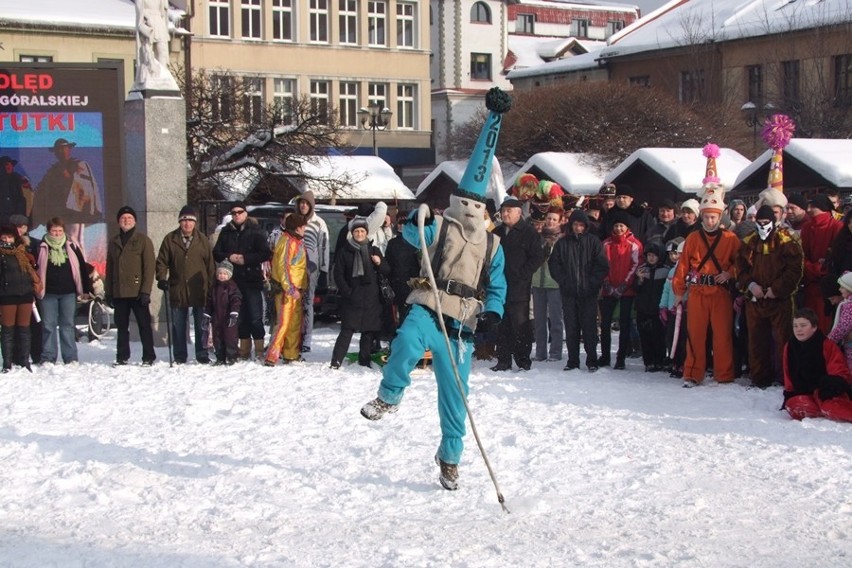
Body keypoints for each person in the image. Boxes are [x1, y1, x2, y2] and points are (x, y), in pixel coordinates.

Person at [359, 86, 510, 491]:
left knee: (455, 400)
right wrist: (415, 221)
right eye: (464, 201)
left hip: (461, 324)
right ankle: (389, 396)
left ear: (485, 208)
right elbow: (414, 239)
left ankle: (449, 458)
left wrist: (493, 314)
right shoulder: (441, 224)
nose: (470, 210)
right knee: (406, 342)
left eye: (476, 205)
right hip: (428, 306)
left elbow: (497, 285)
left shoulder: (494, 244)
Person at [672, 146, 741, 387]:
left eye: (714, 216)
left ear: (720, 216)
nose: (710, 220)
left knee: (722, 336)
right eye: (706, 216)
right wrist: (679, 293)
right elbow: (682, 267)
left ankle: (724, 374)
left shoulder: (731, 240)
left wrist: (729, 273)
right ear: (701, 216)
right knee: (696, 335)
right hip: (699, 291)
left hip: (720, 293)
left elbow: (741, 264)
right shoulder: (692, 239)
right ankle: (692, 372)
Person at [734, 205, 804, 388]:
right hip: (755, 299)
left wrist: (777, 289)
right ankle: (760, 377)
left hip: (779, 300)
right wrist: (750, 285)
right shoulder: (749, 241)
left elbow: (795, 269)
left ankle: (785, 377)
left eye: (766, 223)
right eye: (760, 223)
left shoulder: (786, 240)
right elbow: (740, 269)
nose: (763, 226)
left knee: (784, 340)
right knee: (756, 341)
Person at [549, 208, 609, 372]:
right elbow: (554, 265)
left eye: (581, 225)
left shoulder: (594, 242)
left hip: (588, 293)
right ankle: (573, 360)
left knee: (589, 327)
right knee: (571, 327)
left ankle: (592, 360)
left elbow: (602, 266)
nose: (578, 228)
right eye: (575, 224)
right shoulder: (562, 243)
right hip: (569, 292)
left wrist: (592, 284)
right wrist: (564, 282)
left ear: (586, 226)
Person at [155, 205, 215, 365]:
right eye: (184, 220)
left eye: (190, 220)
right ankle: (180, 355)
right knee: (178, 325)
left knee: (201, 325)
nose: (187, 224)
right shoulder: (170, 239)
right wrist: (161, 278)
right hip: (178, 287)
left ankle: (201, 353)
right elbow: (161, 261)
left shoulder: (202, 239)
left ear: (194, 223)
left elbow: (210, 265)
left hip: (199, 288)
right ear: (179, 222)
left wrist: (211, 285)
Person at [213, 202, 272, 361]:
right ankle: (244, 350)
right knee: (240, 317)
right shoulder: (226, 232)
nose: (237, 215)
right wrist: (229, 256)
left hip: (252, 279)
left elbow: (265, 253)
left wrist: (246, 259)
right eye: (234, 213)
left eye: (240, 212)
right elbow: (217, 252)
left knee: (255, 316)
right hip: (233, 281)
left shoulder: (256, 231)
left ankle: (259, 350)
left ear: (245, 213)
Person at [491, 197, 544, 371]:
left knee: (520, 324)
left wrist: (523, 274)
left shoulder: (529, 233)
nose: (505, 214)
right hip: (499, 284)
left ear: (519, 212)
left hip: (519, 286)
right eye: (503, 211)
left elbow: (537, 257)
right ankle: (503, 360)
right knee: (501, 324)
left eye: (509, 211)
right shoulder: (497, 232)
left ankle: (523, 360)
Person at [330, 216, 390, 368]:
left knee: (368, 331)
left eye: (362, 231)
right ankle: (336, 361)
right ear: (352, 232)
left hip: (371, 296)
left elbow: (386, 270)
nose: (359, 234)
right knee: (347, 330)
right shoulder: (345, 251)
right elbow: (338, 274)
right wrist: (347, 291)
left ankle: (364, 361)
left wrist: (378, 262)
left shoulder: (373, 249)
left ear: (366, 232)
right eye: (357, 231)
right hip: (353, 296)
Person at [36, 217, 93, 365]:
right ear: (48, 231)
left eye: (60, 230)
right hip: (48, 293)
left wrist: (86, 289)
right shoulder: (41, 247)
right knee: (48, 325)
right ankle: (48, 357)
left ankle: (70, 357)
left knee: (67, 325)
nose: (57, 233)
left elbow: (82, 267)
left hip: (68, 292)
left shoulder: (71, 246)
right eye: (54, 230)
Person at [104, 206, 156, 366]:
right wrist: (109, 292)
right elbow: (110, 268)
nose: (126, 221)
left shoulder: (143, 240)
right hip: (119, 292)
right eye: (123, 218)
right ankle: (122, 356)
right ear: (119, 222)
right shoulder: (114, 242)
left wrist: (146, 291)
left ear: (135, 221)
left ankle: (148, 356)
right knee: (121, 327)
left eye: (129, 218)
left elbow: (149, 267)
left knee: (144, 326)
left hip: (138, 292)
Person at [783, 308, 852, 422]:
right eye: (795, 326)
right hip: (805, 392)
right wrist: (789, 392)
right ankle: (820, 410)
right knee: (794, 406)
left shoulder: (826, 344)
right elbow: (787, 372)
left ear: (814, 327)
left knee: (831, 406)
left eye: (803, 325)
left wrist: (830, 386)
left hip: (828, 392)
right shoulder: (790, 346)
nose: (798, 329)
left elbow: (840, 371)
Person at [35, 138, 102, 246]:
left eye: (64, 148)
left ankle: (79, 263)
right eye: (58, 149)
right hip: (58, 212)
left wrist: (67, 176)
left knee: (74, 240)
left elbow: (85, 188)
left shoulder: (80, 164)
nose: (61, 151)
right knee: (58, 241)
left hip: (75, 212)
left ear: (69, 149)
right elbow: (45, 188)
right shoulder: (53, 170)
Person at [599, 210, 642, 370]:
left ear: (627, 227)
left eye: (621, 226)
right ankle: (604, 356)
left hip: (626, 290)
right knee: (605, 324)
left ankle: (621, 357)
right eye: (616, 225)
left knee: (624, 324)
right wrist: (607, 283)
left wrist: (625, 284)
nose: (618, 229)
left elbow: (636, 265)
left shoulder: (635, 244)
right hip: (608, 289)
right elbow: (601, 265)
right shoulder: (606, 244)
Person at [265, 214, 308, 365]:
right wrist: (289, 288)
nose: (305, 229)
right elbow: (283, 267)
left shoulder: (298, 241)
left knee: (294, 323)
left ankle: (291, 353)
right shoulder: (287, 241)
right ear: (297, 227)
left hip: (297, 289)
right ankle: (272, 355)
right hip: (287, 291)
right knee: (283, 322)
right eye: (303, 227)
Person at [0, 224, 41, 372]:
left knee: (24, 329)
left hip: (25, 295)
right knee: (7, 330)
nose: (6, 240)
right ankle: (7, 363)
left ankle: (24, 361)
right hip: (7, 296)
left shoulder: (22, 253)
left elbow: (31, 273)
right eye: (3, 237)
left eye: (9, 237)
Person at [292, 191, 329, 353]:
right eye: (301, 202)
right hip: (293, 269)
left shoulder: (319, 223)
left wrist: (324, 270)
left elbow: (324, 246)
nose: (303, 206)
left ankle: (307, 339)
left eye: (307, 203)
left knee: (308, 304)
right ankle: (292, 338)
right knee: (292, 304)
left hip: (311, 268)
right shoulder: (293, 221)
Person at [801, 194, 843, 332]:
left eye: (813, 206)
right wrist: (813, 267)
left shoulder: (837, 226)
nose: (809, 209)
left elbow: (837, 257)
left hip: (829, 286)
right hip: (809, 284)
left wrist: (819, 268)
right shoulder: (806, 227)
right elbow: (801, 255)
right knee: (809, 324)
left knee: (825, 325)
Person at [531, 207, 564, 362]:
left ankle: (556, 351)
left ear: (560, 221)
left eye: (554, 219)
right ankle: (540, 351)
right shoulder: (538, 237)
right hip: (537, 281)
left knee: (556, 319)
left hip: (555, 283)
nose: (550, 221)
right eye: (549, 218)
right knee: (539, 319)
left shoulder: (562, 239)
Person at [11, 214, 43, 364]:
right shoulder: (5, 244)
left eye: (23, 226)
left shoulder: (35, 244)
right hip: (9, 291)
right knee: (13, 326)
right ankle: (15, 357)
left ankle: (36, 355)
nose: (20, 229)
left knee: (34, 325)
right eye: (17, 226)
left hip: (30, 290)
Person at [634, 242, 670, 372]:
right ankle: (648, 361)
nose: (651, 258)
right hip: (643, 309)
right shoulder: (642, 269)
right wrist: (640, 280)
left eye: (654, 256)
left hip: (658, 309)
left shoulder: (666, 270)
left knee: (659, 336)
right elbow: (635, 289)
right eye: (649, 255)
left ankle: (659, 360)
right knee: (645, 336)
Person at [384, 211, 421, 326]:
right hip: (397, 284)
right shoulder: (392, 243)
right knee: (400, 315)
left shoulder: (418, 242)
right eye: (400, 223)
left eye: (406, 223)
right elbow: (388, 264)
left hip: (415, 284)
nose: (403, 225)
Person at [204, 261, 243, 365]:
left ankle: (232, 356)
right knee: (218, 338)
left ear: (229, 275)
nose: (222, 276)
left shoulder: (232, 287)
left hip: (228, 317)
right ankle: (220, 357)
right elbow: (209, 302)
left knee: (230, 338)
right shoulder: (214, 287)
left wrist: (234, 313)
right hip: (216, 317)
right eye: (220, 273)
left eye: (225, 274)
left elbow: (236, 300)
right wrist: (207, 314)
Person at [828, 273, 852, 373]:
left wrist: (830, 339)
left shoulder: (849, 306)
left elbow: (843, 326)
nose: (839, 290)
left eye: (842, 287)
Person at [0, 156, 27, 224]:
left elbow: (28, 186)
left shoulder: (17, 177)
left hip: (17, 212)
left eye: (10, 164)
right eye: (6, 164)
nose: (9, 167)